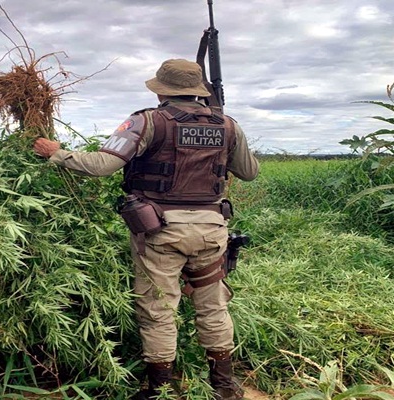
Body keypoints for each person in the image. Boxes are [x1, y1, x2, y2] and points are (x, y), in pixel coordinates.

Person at [33, 58, 259, 400]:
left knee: (157, 308)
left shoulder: (146, 121)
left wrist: (57, 153)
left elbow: (102, 165)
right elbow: (250, 172)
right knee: (213, 307)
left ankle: (161, 390)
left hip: (160, 231)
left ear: (161, 91)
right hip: (212, 228)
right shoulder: (228, 125)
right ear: (198, 91)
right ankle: (225, 386)